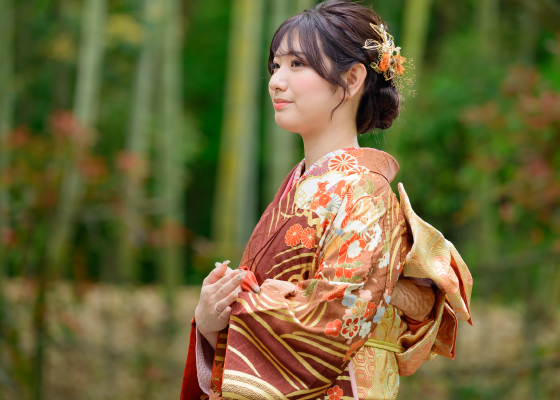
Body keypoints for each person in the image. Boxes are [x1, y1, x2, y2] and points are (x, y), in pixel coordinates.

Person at [180, 1, 473, 399]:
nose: (276, 81)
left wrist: (238, 305)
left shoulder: (365, 193)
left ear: (351, 79)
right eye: (275, 66)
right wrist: (209, 317)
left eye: (297, 64)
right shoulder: (301, 186)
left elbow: (335, 317)